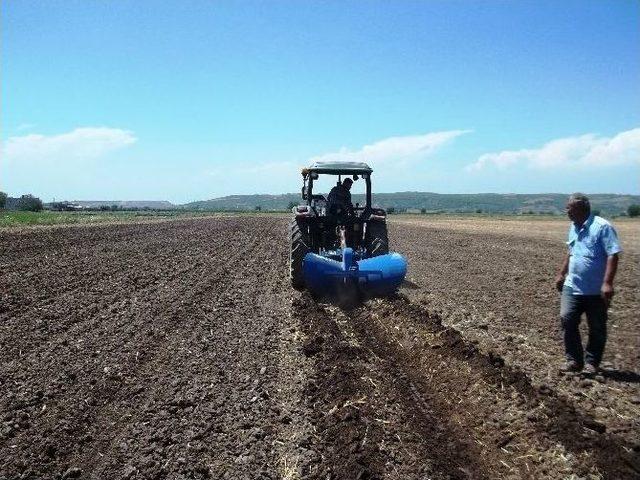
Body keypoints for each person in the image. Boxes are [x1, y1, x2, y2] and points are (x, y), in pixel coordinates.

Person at [555, 193, 621, 374]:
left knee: (597, 326)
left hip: (595, 289)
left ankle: (592, 362)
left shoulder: (602, 227)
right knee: (567, 319)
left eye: (569, 208)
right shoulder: (573, 227)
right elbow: (571, 251)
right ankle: (574, 360)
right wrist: (562, 273)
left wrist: (607, 283)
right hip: (572, 285)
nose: (566, 211)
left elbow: (613, 254)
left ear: (582, 208)